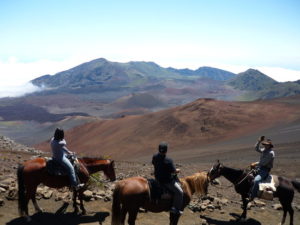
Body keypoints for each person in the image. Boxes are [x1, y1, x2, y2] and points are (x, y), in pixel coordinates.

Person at [152, 142, 183, 215]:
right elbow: (173, 171)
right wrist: (178, 170)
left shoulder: (155, 156)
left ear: (159, 149)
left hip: (157, 178)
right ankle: (175, 208)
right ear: (166, 150)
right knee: (180, 192)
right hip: (167, 181)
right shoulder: (168, 160)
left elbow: (153, 163)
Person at [249, 135, 275, 201]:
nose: (265, 146)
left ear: (270, 145)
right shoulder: (264, 150)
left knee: (256, 180)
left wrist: (255, 163)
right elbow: (256, 149)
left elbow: (263, 163)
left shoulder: (271, 153)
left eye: (267, 145)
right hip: (259, 167)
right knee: (248, 176)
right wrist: (259, 141)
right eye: (265, 144)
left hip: (265, 169)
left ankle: (252, 196)